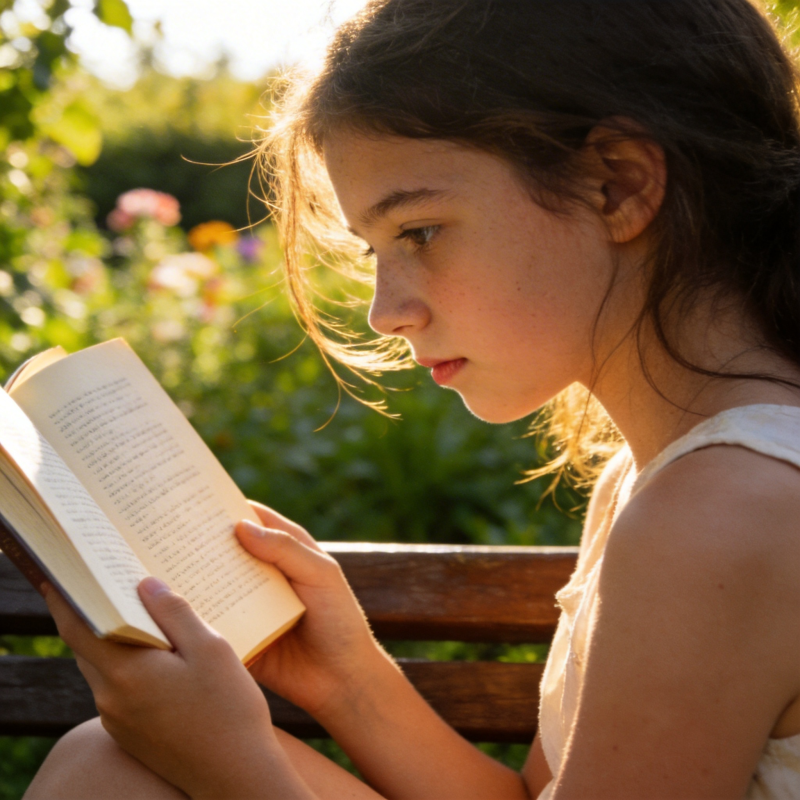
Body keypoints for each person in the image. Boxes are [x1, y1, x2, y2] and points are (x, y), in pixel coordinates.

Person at [24, 0, 800, 797]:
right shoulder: (659, 480)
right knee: (109, 762)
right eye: (374, 251)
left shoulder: (724, 510)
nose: (384, 312)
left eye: (419, 233)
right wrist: (346, 678)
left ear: (618, 185)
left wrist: (231, 765)